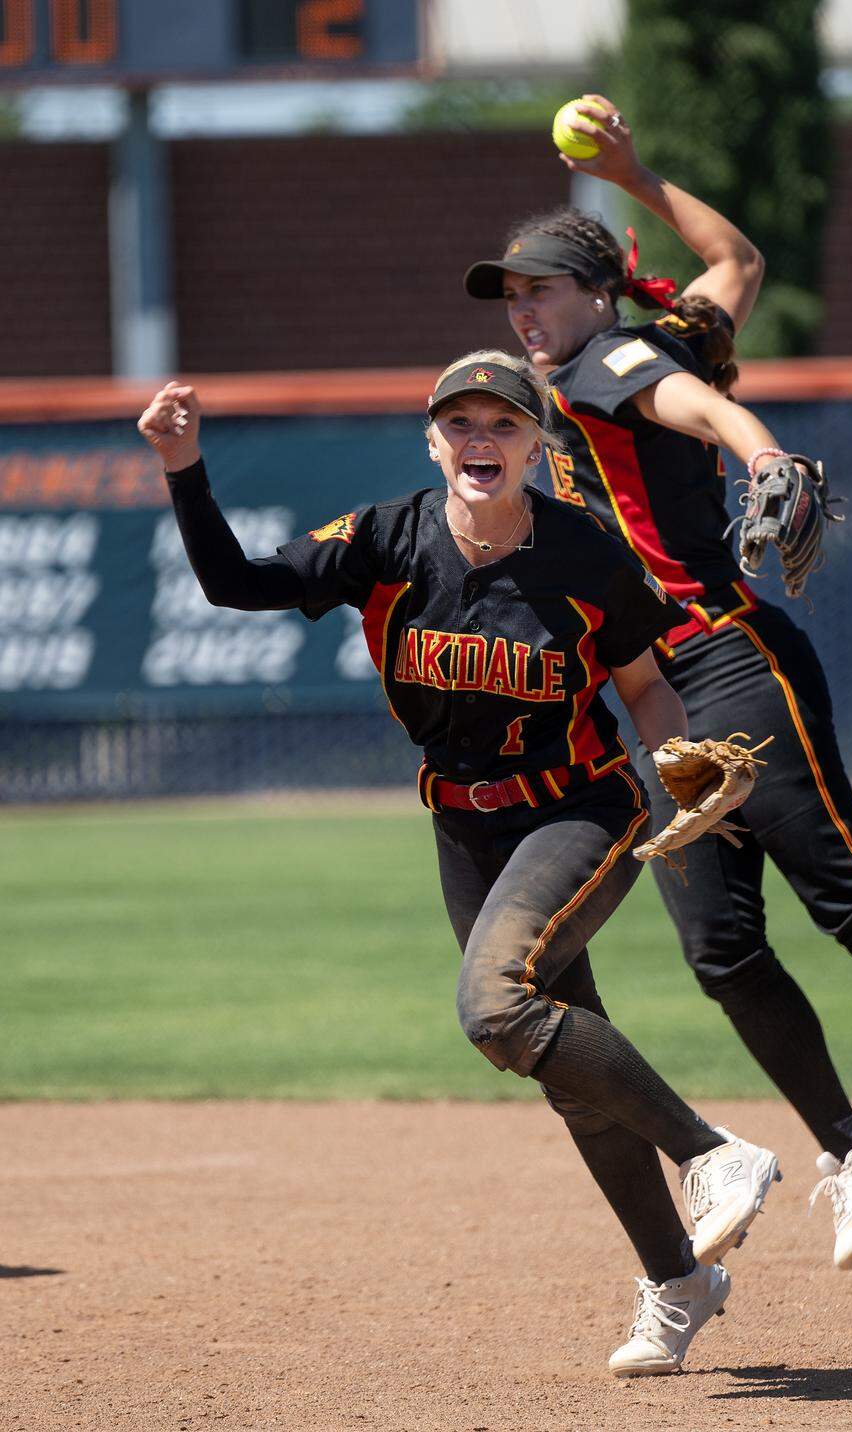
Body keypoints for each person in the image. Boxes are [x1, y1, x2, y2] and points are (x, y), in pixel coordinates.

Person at [462, 96, 852, 1268]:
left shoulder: (611, 360)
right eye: (512, 294)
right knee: (721, 948)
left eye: (539, 288)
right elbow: (738, 260)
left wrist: (764, 456)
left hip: (729, 664)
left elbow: (698, 405)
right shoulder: (663, 329)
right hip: (660, 696)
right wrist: (635, 170)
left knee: (846, 896)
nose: (522, 309)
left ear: (592, 294)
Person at [137, 353, 782, 1378]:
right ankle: (679, 1280)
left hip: (579, 809)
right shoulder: (388, 539)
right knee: (564, 1068)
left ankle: (712, 1153)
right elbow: (236, 583)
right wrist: (184, 467)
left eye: (503, 421)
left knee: (493, 1008)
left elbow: (646, 689)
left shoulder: (583, 554)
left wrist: (676, 767)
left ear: (536, 444)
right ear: (433, 441)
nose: (480, 437)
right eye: (459, 421)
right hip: (461, 828)